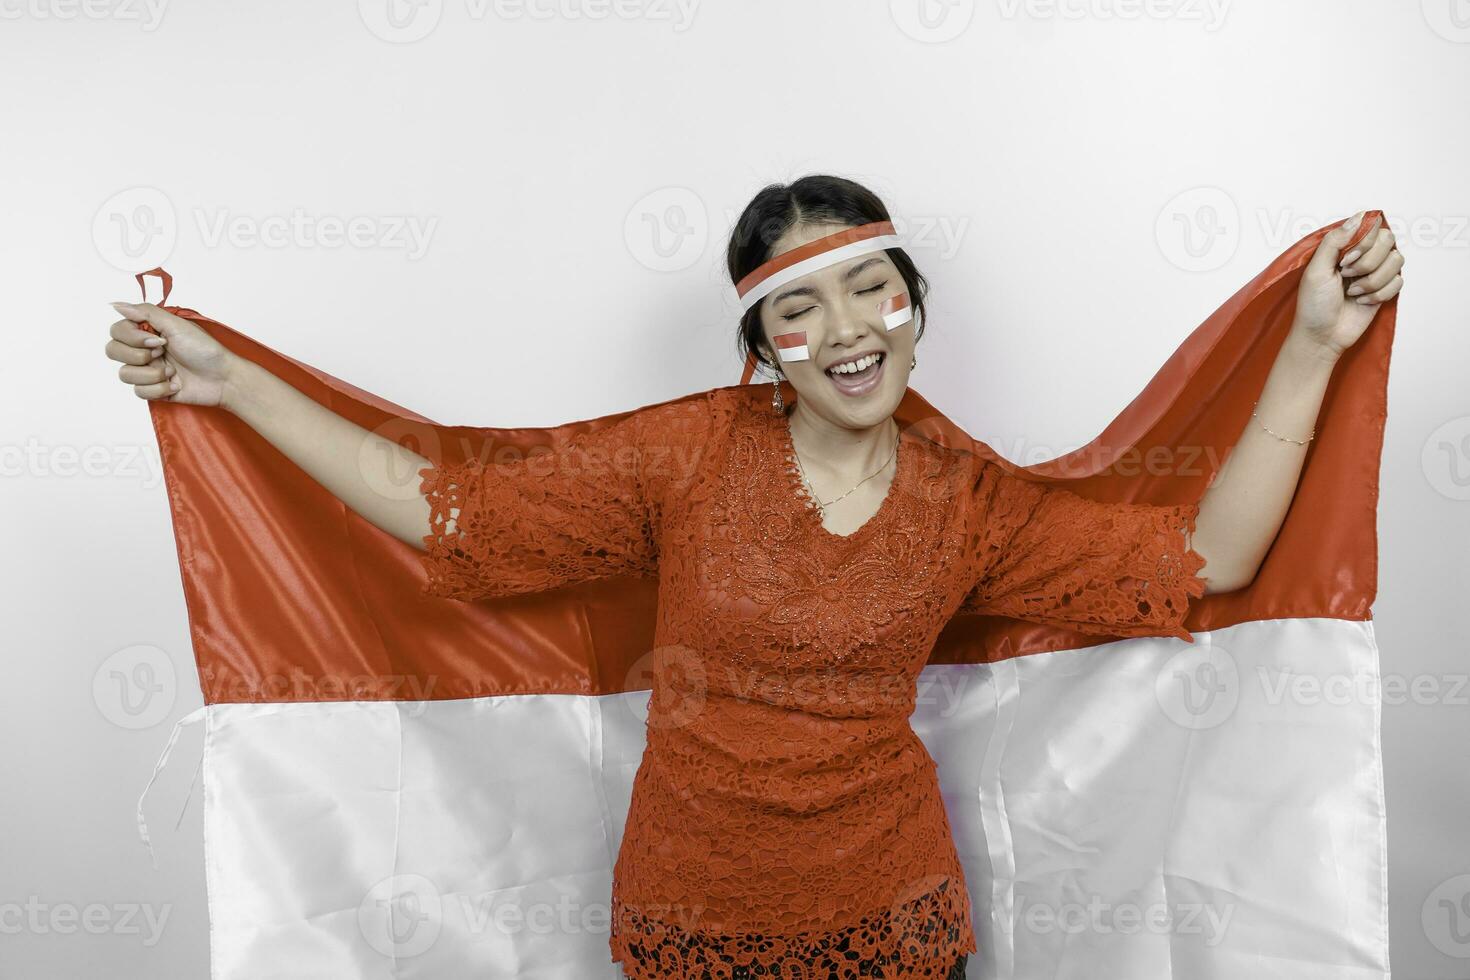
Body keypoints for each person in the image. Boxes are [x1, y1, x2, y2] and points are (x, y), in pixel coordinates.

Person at [104, 175, 1403, 979]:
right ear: (763, 346)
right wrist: (237, 385)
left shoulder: (970, 504)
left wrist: (1308, 344)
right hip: (691, 927)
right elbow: (456, 518)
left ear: (910, 306)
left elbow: (1200, 560)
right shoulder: (681, 456)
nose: (842, 332)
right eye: (800, 308)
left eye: (869, 291)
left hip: (894, 928)